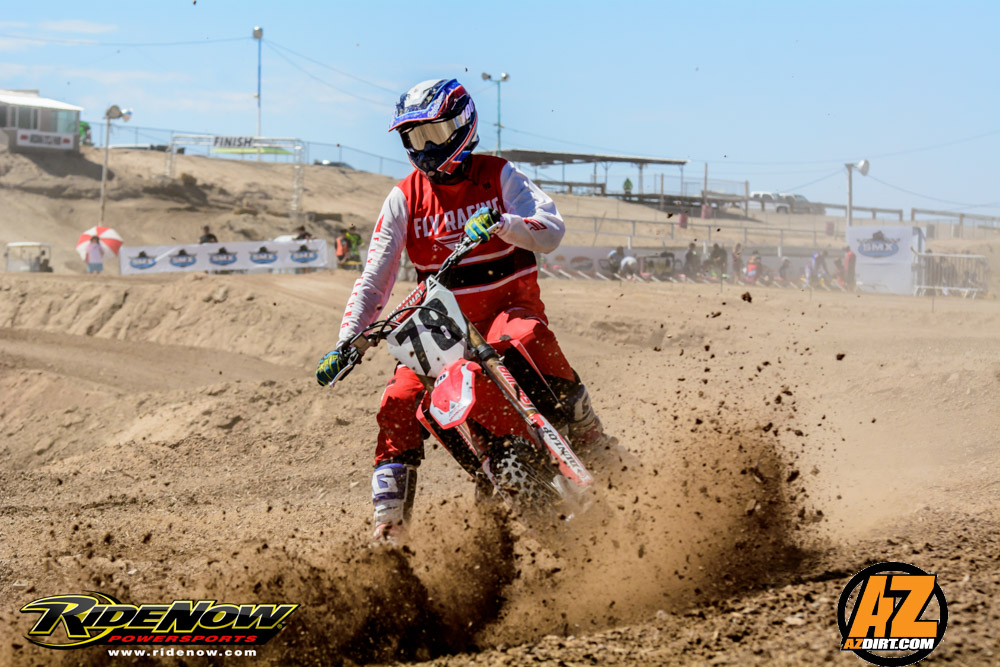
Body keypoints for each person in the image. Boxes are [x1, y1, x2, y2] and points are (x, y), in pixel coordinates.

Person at [314, 78, 615, 541]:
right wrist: (346, 342)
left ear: (462, 125)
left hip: (506, 309)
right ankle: (388, 533)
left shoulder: (500, 175)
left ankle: (585, 425)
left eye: (433, 134)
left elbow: (551, 230)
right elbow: (375, 277)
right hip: (443, 329)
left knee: (526, 338)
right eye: (415, 138)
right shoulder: (403, 198)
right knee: (397, 402)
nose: (425, 149)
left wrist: (503, 222)